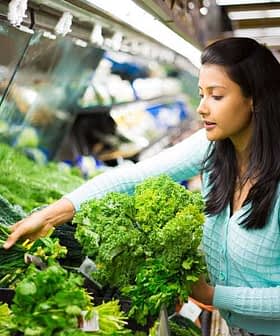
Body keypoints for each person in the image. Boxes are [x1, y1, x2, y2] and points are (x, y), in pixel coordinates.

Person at [4, 37, 280, 336]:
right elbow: (132, 178)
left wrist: (214, 295)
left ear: (254, 97)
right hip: (236, 326)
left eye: (216, 96)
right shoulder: (215, 149)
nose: (202, 108)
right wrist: (48, 216)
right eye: (201, 94)